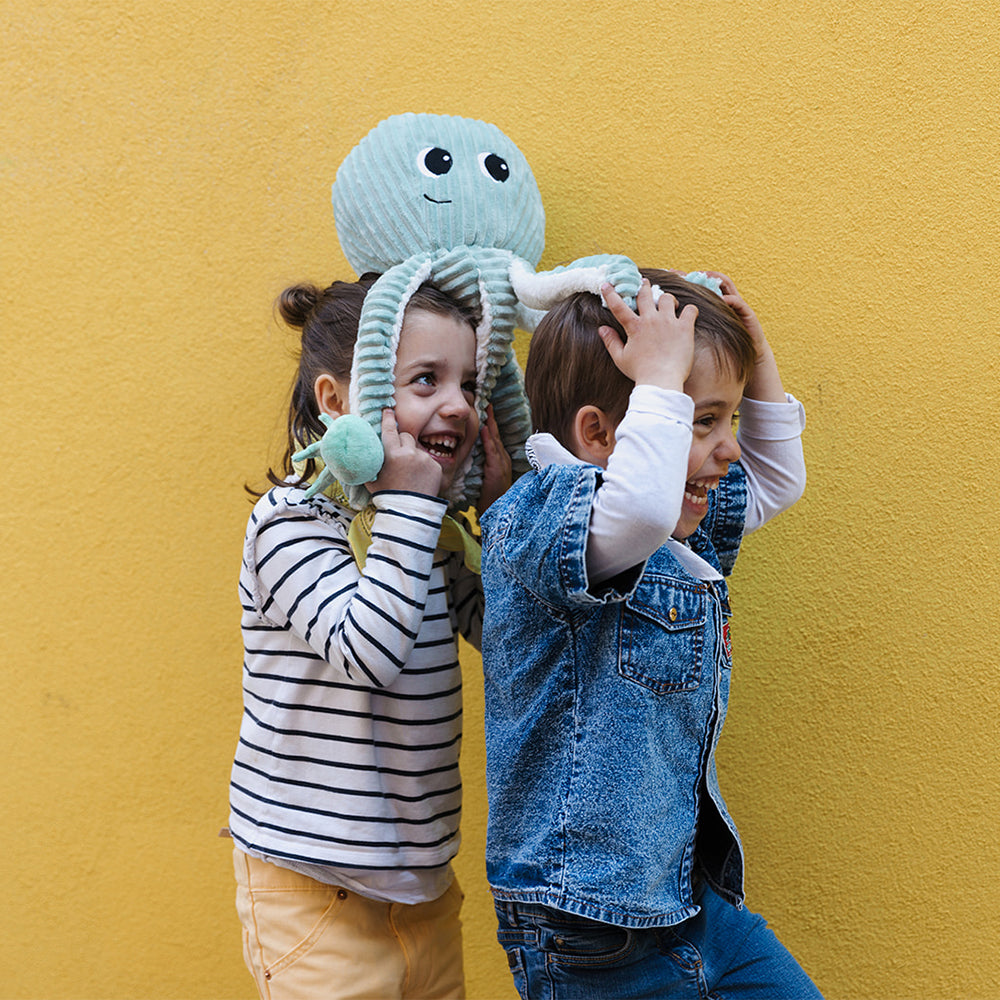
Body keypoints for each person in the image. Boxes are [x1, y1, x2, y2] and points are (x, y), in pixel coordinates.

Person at [479, 269, 822, 998]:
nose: (727, 448)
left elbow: (776, 482)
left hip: (689, 904)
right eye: (704, 421)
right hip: (587, 927)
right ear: (600, 434)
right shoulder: (541, 521)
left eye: (726, 420)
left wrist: (755, 363)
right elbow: (632, 510)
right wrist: (665, 376)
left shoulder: (675, 535)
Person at [229, 275, 510, 1000]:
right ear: (336, 402)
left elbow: (516, 642)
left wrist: (508, 517)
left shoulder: (429, 535)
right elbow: (369, 653)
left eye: (469, 383)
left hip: (422, 893)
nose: (457, 403)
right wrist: (413, 508)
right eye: (425, 380)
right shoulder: (288, 527)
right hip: (316, 895)